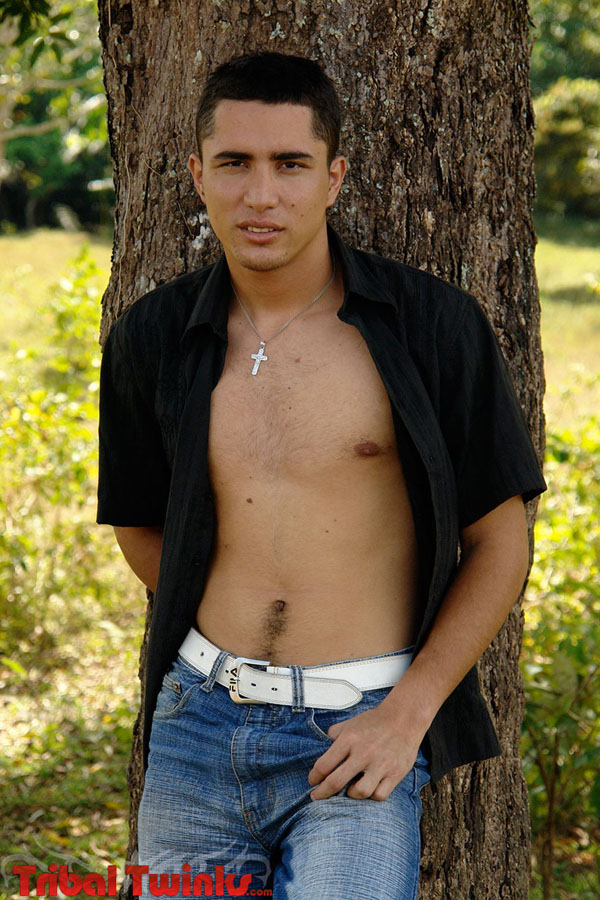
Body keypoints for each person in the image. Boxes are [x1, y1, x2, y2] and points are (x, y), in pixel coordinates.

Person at [97, 51, 547, 900]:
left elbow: (500, 543)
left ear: (333, 177)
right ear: (197, 175)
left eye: (291, 164)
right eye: (235, 163)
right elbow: (139, 521)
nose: (261, 195)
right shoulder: (151, 337)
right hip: (198, 725)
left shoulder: (432, 327)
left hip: (359, 730)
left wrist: (407, 713)